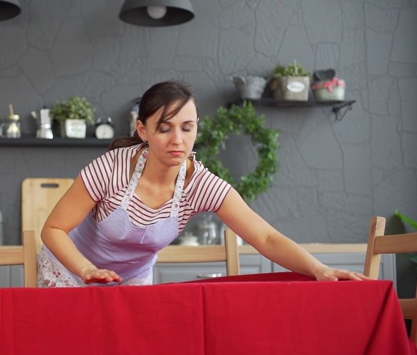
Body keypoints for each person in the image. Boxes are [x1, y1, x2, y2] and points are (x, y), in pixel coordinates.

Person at [38, 80, 368, 287]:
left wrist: (319, 269)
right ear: (143, 131)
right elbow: (53, 229)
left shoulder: (200, 184)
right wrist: (86, 270)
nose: (177, 140)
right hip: (70, 271)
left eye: (187, 127)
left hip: (132, 281)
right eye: (164, 128)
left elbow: (265, 237)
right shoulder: (112, 169)